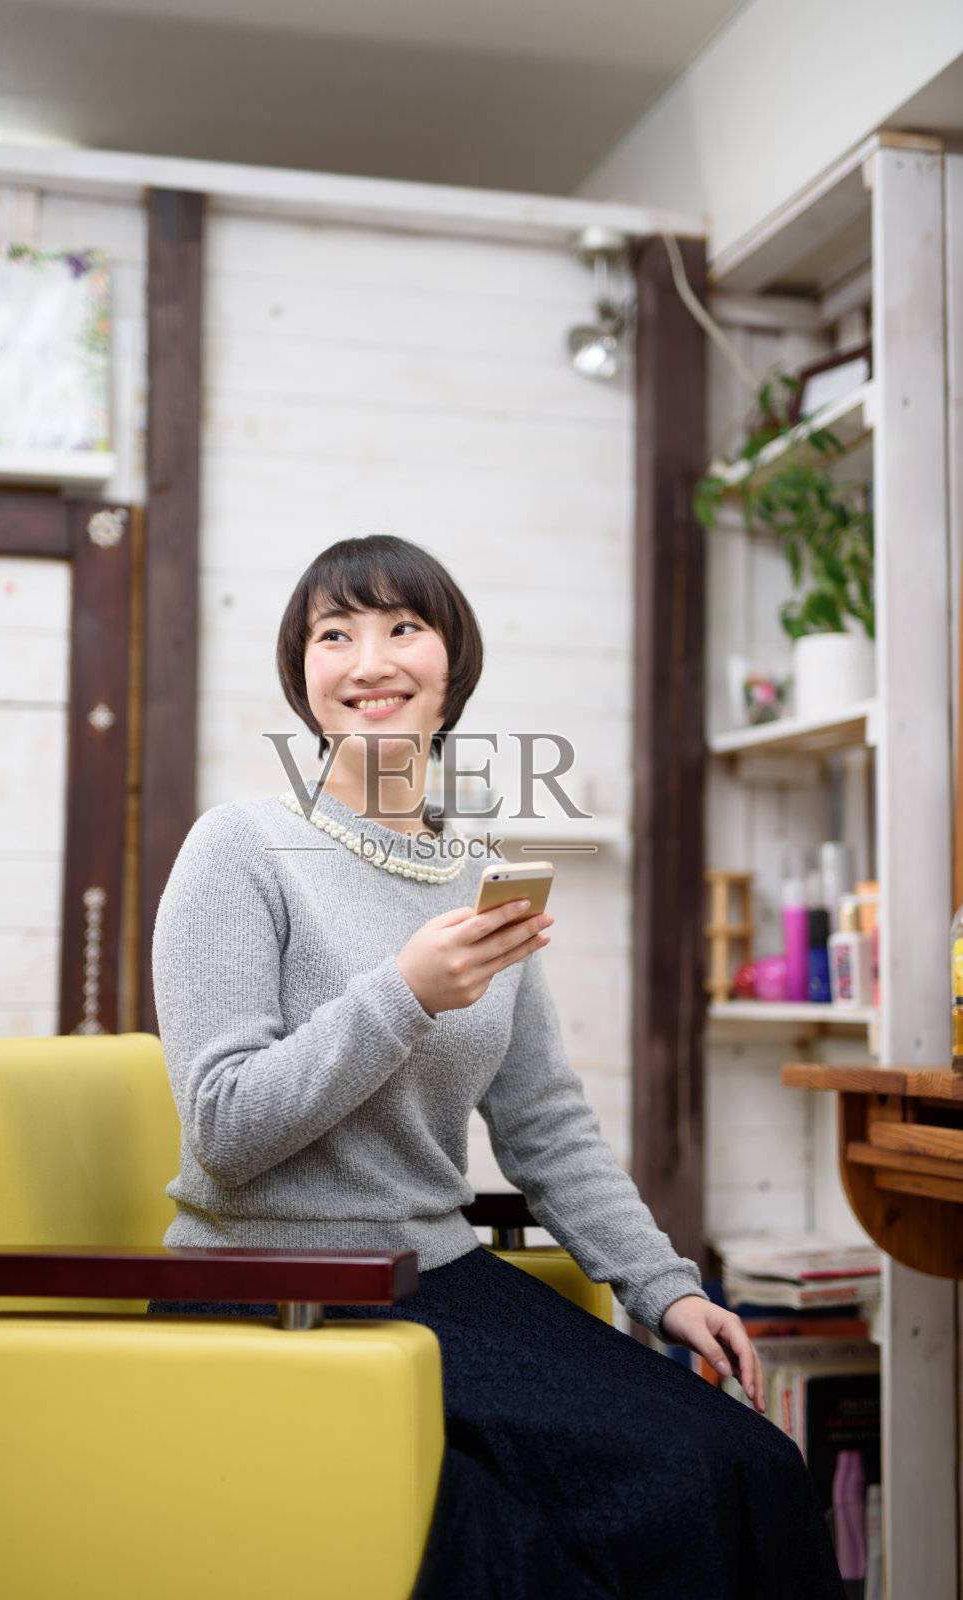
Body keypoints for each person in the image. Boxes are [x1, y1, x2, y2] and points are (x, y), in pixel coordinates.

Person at [149, 534, 846, 1600]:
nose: (368, 658)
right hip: (271, 1288)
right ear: (303, 673)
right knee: (516, 1535)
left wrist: (662, 1286)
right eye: (333, 634)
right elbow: (226, 1128)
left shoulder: (477, 875)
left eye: (402, 627)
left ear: (451, 668)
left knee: (747, 1463)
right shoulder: (238, 847)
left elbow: (546, 1124)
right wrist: (403, 992)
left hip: (438, 1281)